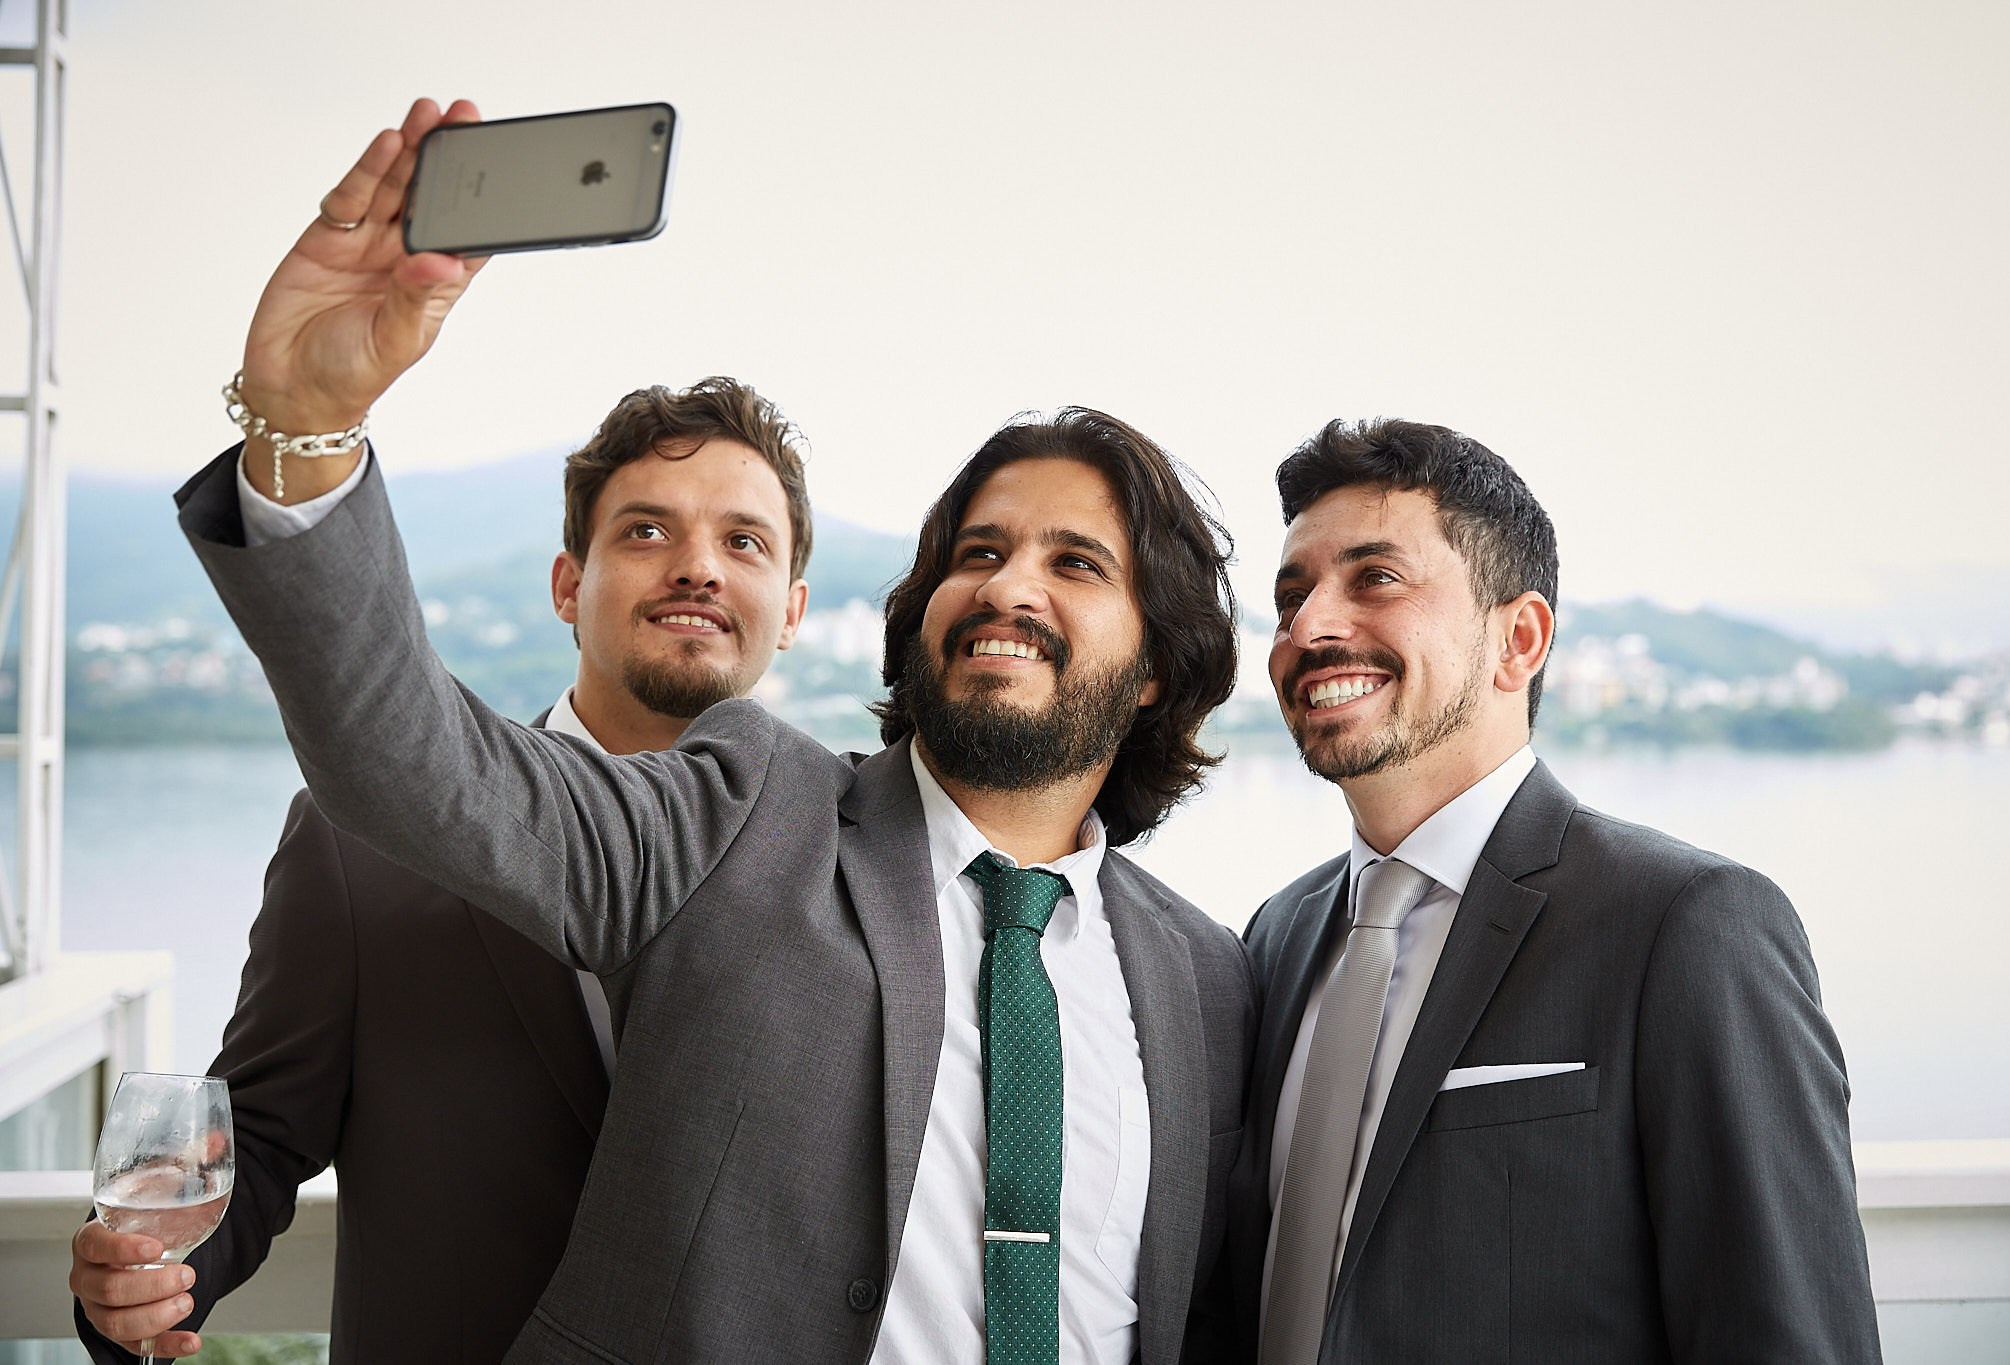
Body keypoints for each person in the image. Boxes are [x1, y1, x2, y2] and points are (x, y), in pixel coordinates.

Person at [168, 98, 1253, 1364]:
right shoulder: (750, 809)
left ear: (1155, 669)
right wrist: (305, 431)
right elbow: (414, 760)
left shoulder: (1206, 975)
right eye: (978, 552)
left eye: (1075, 563)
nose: (1008, 586)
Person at [69, 377, 815, 1362]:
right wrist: (148, 1281)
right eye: (646, 531)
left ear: (792, 610)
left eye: (744, 542)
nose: (699, 568)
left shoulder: (838, 864)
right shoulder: (356, 844)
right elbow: (259, 1140)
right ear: (567, 585)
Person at [1227, 417, 1883, 1362]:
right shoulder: (1277, 936)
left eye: (1375, 579)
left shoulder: (1688, 924)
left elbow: (1789, 1334)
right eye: (1292, 596)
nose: (1309, 626)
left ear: (1519, 639)